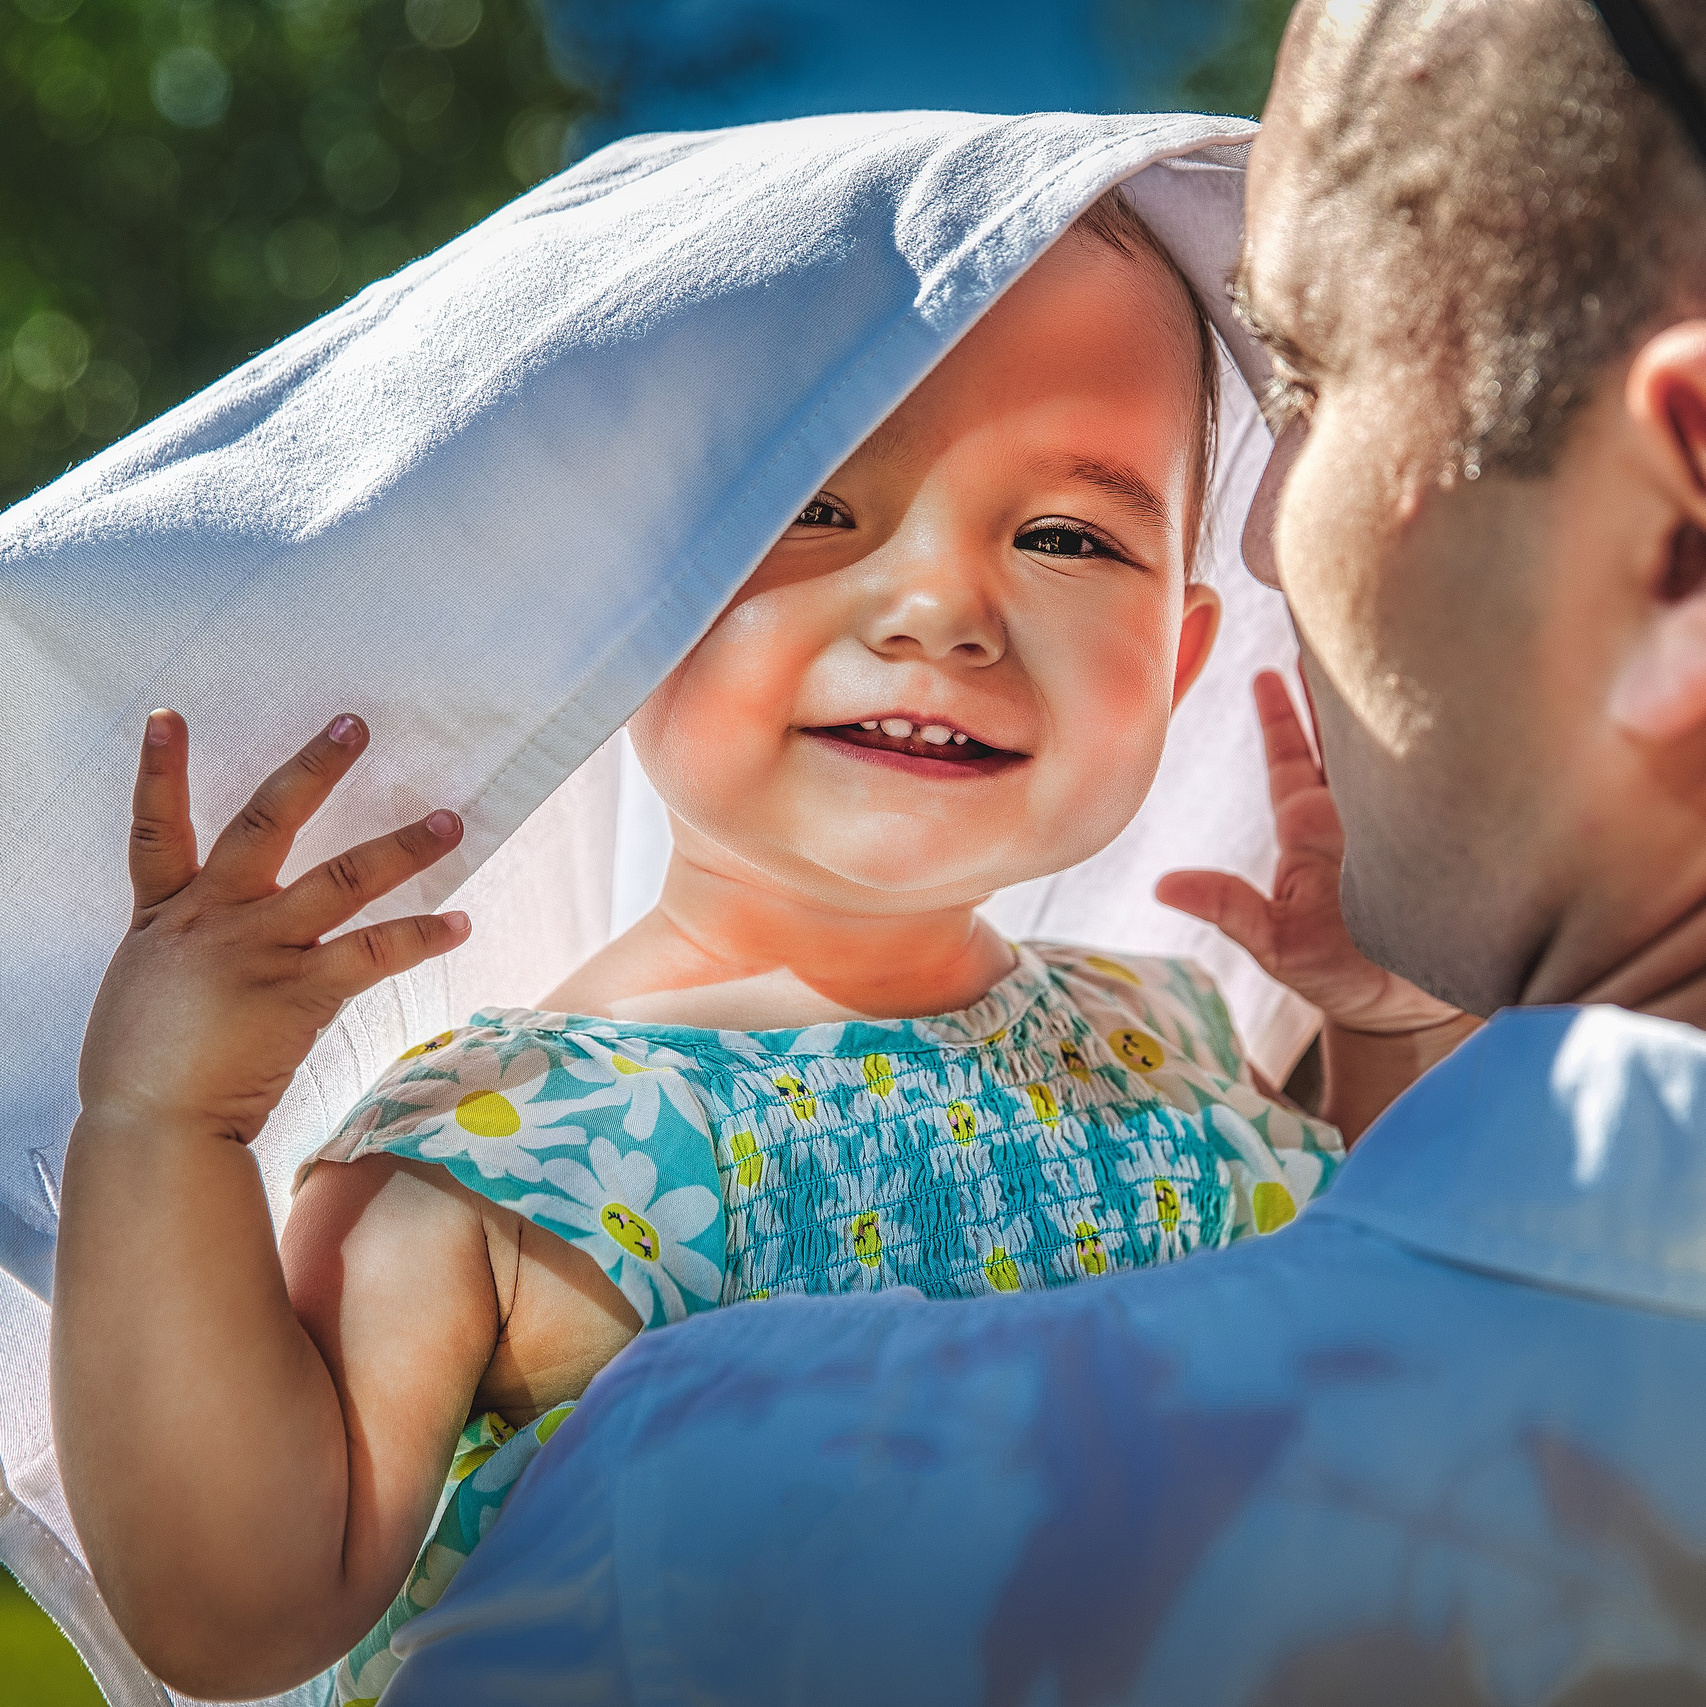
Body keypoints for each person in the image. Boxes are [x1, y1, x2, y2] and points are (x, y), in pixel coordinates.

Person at [335, 1, 1706, 1703]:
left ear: (1684, 532)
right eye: (805, 505)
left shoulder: (709, 1514)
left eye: (1318, 387)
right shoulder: (517, 1151)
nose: (1272, 533)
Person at [48, 183, 1464, 1702]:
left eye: (1063, 533)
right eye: (811, 507)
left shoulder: (1171, 1033)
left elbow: (1398, 1332)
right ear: (627, 611)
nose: (939, 609)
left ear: (1178, 660)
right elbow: (234, 1613)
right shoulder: (504, 1148)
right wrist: (169, 1123)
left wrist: (1387, 1029)